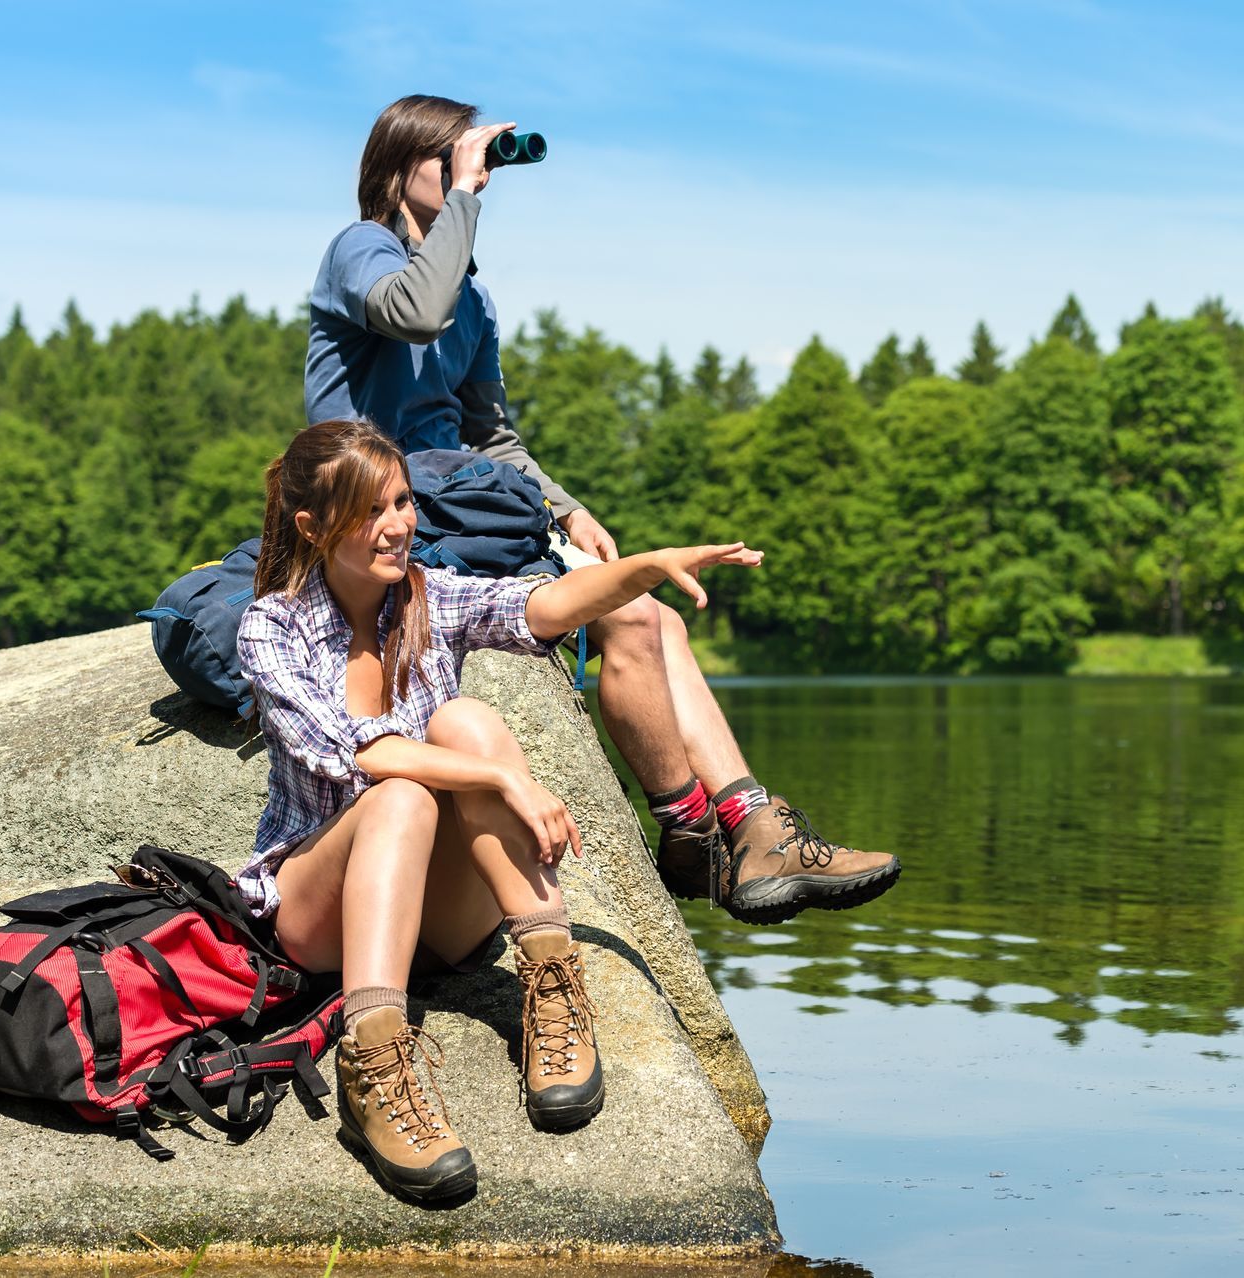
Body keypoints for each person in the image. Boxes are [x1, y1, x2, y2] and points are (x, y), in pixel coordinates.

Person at [305, 93, 900, 925]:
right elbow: (415, 312)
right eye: (453, 161)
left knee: (656, 617)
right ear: (399, 167)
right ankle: (693, 828)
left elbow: (492, 434)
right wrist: (468, 199)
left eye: (473, 165)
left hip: (463, 512)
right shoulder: (359, 251)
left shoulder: (471, 299)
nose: (471, 177)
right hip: (381, 519)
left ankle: (750, 823)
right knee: (628, 618)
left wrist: (566, 510)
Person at [237, 418, 762, 1202]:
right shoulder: (271, 627)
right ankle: (374, 1057)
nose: (398, 526)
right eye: (368, 509)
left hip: (441, 923)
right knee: (403, 792)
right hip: (327, 918)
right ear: (311, 525)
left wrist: (645, 567)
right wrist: (506, 782)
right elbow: (359, 754)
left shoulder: (425, 596)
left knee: (465, 720)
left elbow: (544, 607)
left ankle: (552, 980)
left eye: (404, 502)